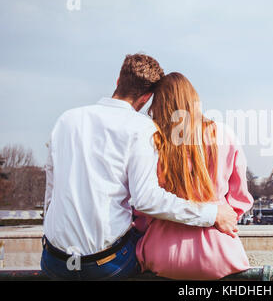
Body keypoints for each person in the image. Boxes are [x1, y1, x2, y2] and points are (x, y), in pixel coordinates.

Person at [41, 54, 238, 280]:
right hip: (105, 265)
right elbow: (147, 200)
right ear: (146, 98)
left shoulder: (67, 119)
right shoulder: (142, 128)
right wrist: (211, 213)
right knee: (146, 241)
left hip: (54, 260)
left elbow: (51, 191)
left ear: (118, 81)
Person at [134, 72, 254, 280]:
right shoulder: (224, 134)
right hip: (218, 253)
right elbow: (240, 199)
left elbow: (143, 206)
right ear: (195, 99)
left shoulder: (153, 141)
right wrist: (221, 218)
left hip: (162, 254)